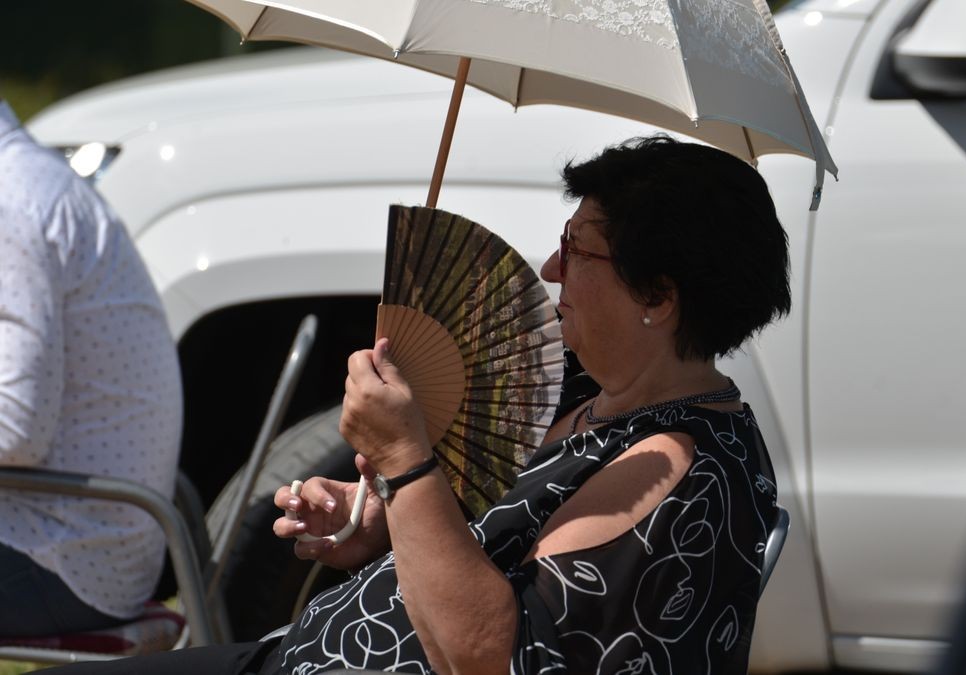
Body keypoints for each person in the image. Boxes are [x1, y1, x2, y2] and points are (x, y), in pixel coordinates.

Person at [49, 135, 786, 674]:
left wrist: (403, 460)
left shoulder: (672, 466)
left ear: (657, 295)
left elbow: (490, 657)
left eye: (580, 248)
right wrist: (379, 518)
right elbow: (477, 545)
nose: (553, 266)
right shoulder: (596, 396)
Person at [0, 99, 183, 635]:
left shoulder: (12, 205)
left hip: (62, 554)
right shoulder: (31, 184)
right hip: (83, 540)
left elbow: (14, 433)